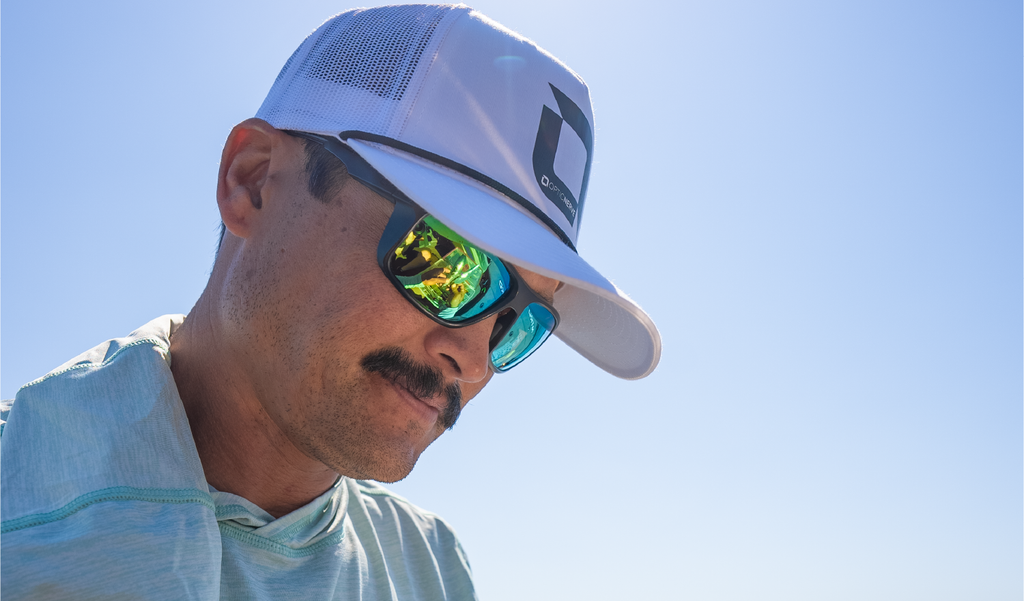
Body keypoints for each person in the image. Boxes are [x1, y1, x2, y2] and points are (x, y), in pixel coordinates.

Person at [1, 4, 661, 599]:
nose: (472, 358)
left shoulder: (429, 572)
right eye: (444, 263)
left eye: (516, 323)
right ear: (254, 181)